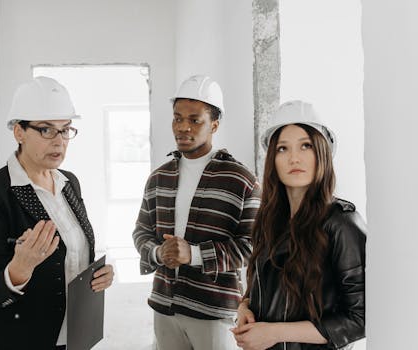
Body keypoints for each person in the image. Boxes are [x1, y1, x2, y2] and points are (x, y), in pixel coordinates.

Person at [0, 76, 114, 350]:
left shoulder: (69, 181)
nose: (59, 141)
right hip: (26, 338)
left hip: (76, 335)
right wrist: (21, 267)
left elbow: (74, 254)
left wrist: (97, 274)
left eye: (65, 130)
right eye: (46, 130)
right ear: (19, 132)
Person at [132, 75, 261, 349]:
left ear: (214, 124)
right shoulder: (159, 178)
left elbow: (252, 246)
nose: (183, 127)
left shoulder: (241, 180)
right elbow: (141, 231)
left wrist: (192, 254)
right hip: (164, 307)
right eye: (177, 118)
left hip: (214, 312)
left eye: (194, 120)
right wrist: (158, 253)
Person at [231, 100, 366, 350]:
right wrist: (244, 306)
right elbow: (261, 282)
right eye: (283, 149)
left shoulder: (342, 223)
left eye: (306, 146)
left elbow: (359, 319)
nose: (294, 157)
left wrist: (275, 333)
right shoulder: (268, 220)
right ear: (273, 158)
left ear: (322, 152)